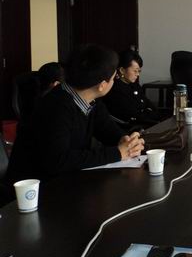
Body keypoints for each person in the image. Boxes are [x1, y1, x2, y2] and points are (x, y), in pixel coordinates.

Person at [6, 45, 145, 183]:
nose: (114, 82)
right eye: (114, 78)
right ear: (102, 85)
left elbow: (106, 128)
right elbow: (58, 160)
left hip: (66, 179)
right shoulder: (56, 106)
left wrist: (124, 140)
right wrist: (117, 153)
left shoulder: (91, 99)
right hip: (34, 187)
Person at [102, 49, 162, 126]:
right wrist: (147, 111)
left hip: (144, 122)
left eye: (139, 71)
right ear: (122, 70)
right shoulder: (115, 89)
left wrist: (152, 113)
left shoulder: (134, 85)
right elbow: (133, 115)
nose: (138, 74)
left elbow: (149, 104)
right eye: (135, 71)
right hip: (128, 128)